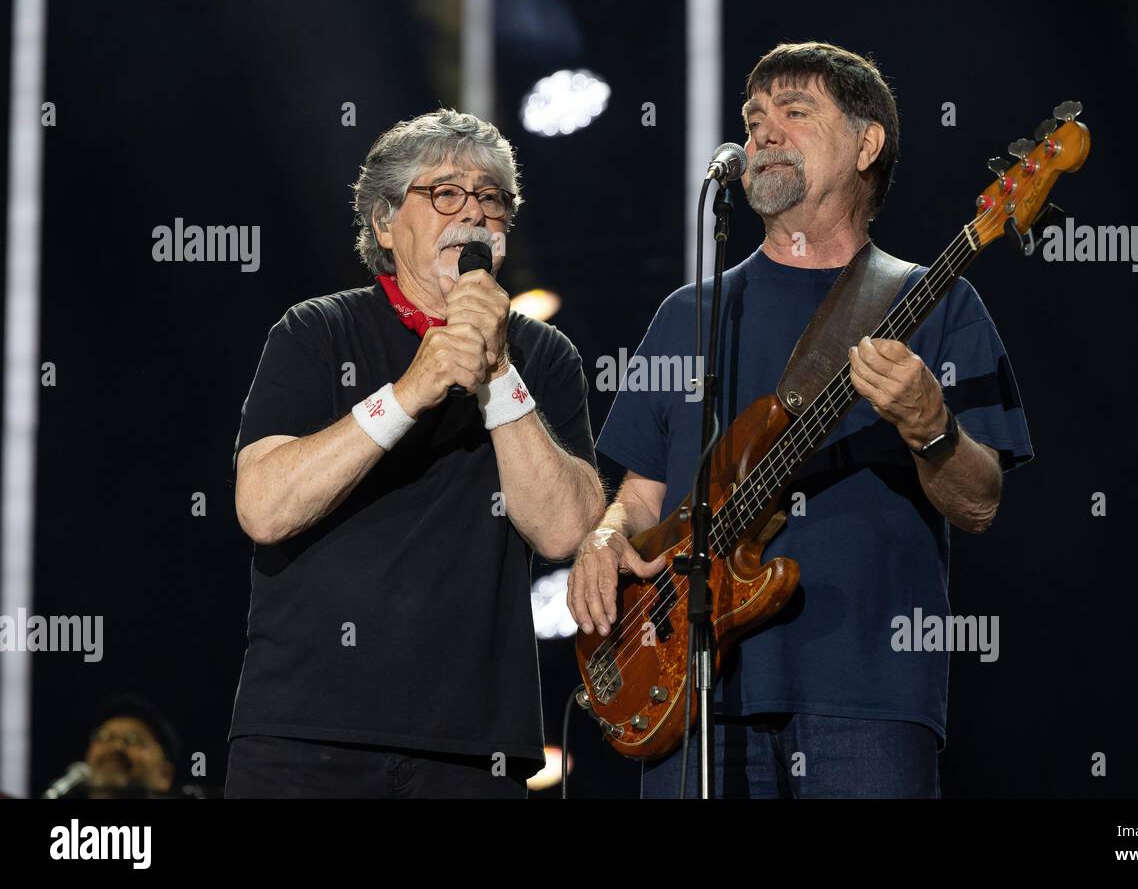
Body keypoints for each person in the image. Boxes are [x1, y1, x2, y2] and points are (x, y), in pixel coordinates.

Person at [569, 42, 1034, 798]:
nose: (763, 132)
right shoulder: (688, 313)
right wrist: (603, 534)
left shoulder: (939, 303)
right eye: (754, 119)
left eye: (795, 112)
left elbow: (978, 502)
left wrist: (929, 423)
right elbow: (640, 494)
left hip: (867, 696)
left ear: (866, 142)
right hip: (694, 697)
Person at [225, 109, 604, 798]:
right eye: (446, 193)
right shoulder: (316, 332)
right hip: (307, 735)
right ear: (384, 224)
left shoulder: (544, 356)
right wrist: (408, 393)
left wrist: (497, 373)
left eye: (492, 197)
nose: (474, 214)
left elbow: (567, 529)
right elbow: (263, 507)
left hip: (474, 748)